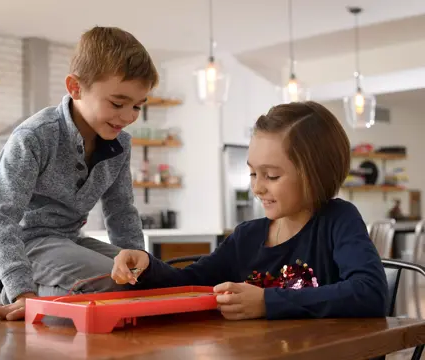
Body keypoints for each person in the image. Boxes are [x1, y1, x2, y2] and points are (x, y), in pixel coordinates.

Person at [112, 101, 389, 321]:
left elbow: (370, 292)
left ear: (315, 174)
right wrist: (147, 266)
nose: (257, 188)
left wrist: (267, 303)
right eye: (253, 173)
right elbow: (190, 282)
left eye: (271, 176)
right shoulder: (246, 236)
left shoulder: (338, 221)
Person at [0, 26, 159, 321]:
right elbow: (1, 218)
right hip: (22, 240)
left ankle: (7, 286)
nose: (128, 117)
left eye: (137, 106)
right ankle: (6, 285)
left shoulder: (121, 144)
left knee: (148, 281)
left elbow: (122, 212)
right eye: (117, 103)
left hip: (68, 240)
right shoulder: (34, 137)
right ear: (75, 88)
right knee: (109, 287)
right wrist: (22, 292)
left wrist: (136, 261)